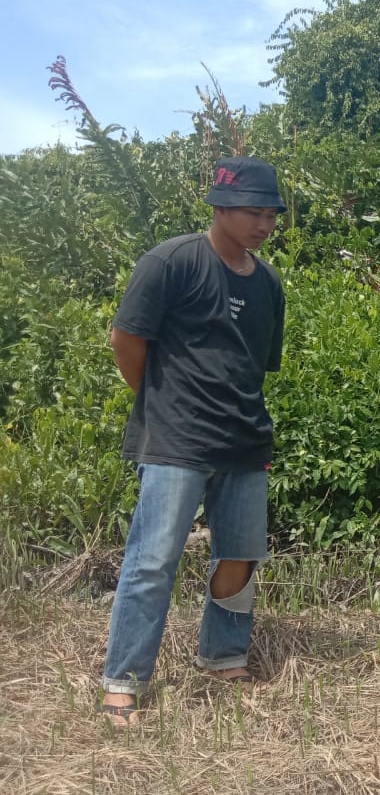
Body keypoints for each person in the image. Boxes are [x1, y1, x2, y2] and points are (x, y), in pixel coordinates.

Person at [99, 156, 288, 727]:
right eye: (253, 211)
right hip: (176, 440)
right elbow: (126, 340)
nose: (264, 224)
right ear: (221, 207)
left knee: (240, 556)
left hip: (245, 442)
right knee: (153, 560)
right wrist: (162, 407)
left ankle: (223, 656)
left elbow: (255, 367)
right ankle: (124, 681)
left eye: (271, 214)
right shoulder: (172, 262)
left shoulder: (269, 285)